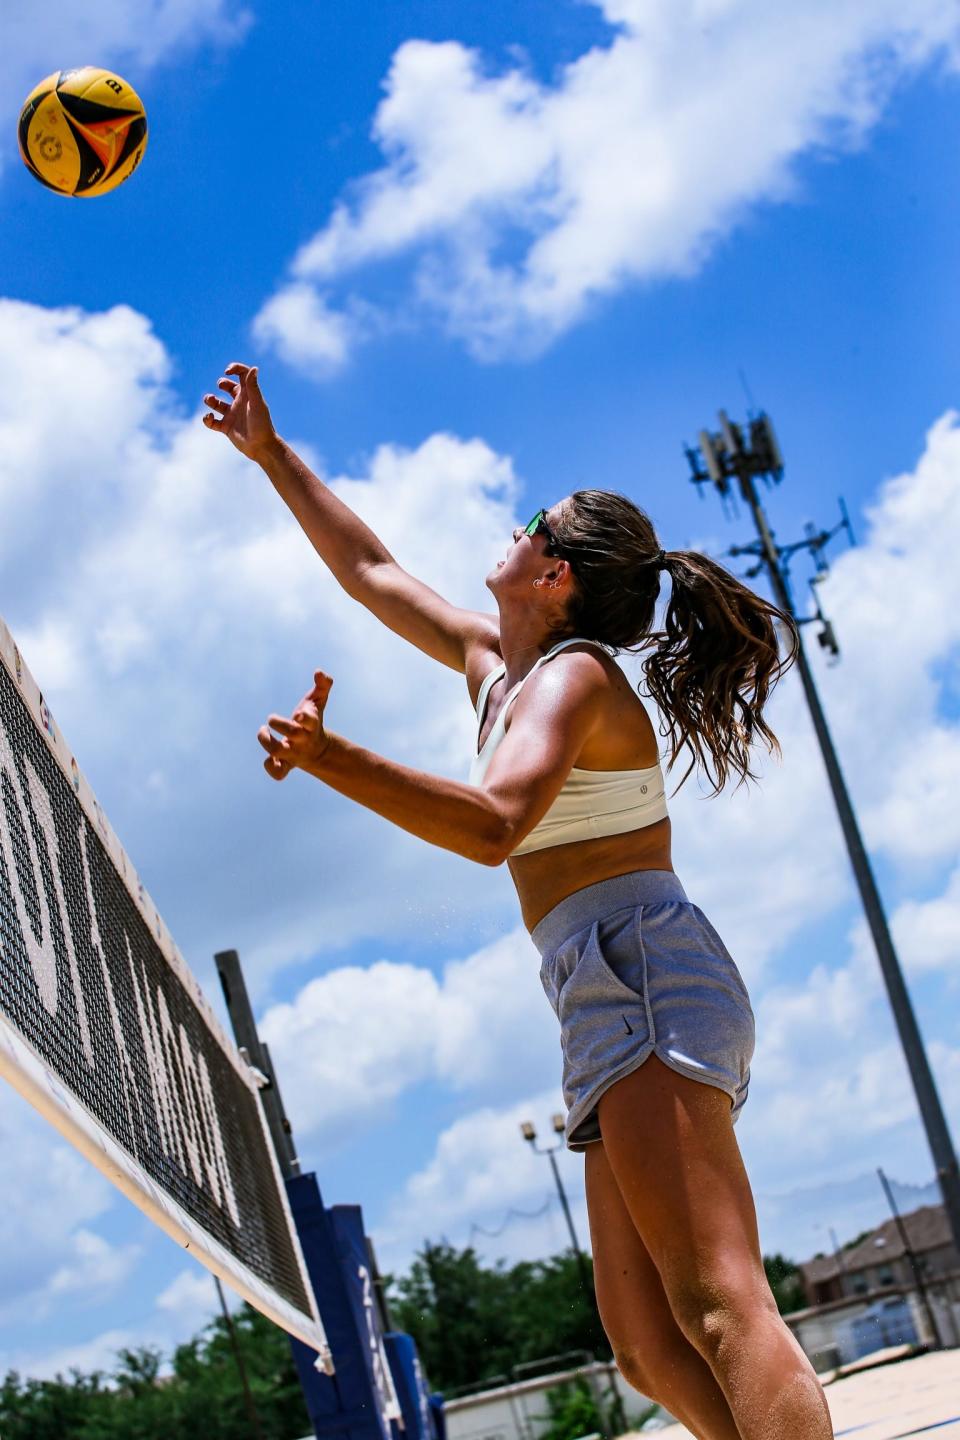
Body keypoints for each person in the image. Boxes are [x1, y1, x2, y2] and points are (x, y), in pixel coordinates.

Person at [203, 363, 833, 1440]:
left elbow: (494, 825)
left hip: (643, 969)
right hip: (601, 984)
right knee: (643, 1341)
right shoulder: (495, 663)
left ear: (560, 577)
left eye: (537, 522)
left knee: (722, 1305)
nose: (516, 523)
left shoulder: (577, 678)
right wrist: (271, 455)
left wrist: (328, 757)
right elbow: (369, 569)